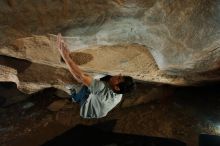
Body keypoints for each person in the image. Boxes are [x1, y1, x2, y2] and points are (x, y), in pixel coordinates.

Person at [57, 33, 135, 118]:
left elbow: (80, 76)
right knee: (93, 81)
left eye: (119, 78)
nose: (118, 75)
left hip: (87, 110)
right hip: (100, 109)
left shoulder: (101, 89)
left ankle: (75, 96)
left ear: (117, 87)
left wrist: (66, 56)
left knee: (82, 85)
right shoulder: (120, 92)